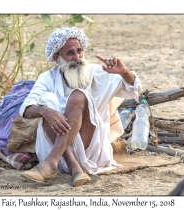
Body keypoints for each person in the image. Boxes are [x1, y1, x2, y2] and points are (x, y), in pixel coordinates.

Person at [19, 27, 142, 187]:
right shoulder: (48, 78)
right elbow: (26, 108)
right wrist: (45, 111)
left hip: (92, 154)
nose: (77, 57)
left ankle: (53, 163)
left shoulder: (97, 72)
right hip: (54, 150)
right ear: (57, 57)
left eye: (79, 51)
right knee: (47, 101)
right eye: (70, 53)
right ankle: (73, 167)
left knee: (78, 96)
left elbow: (134, 88)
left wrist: (124, 72)